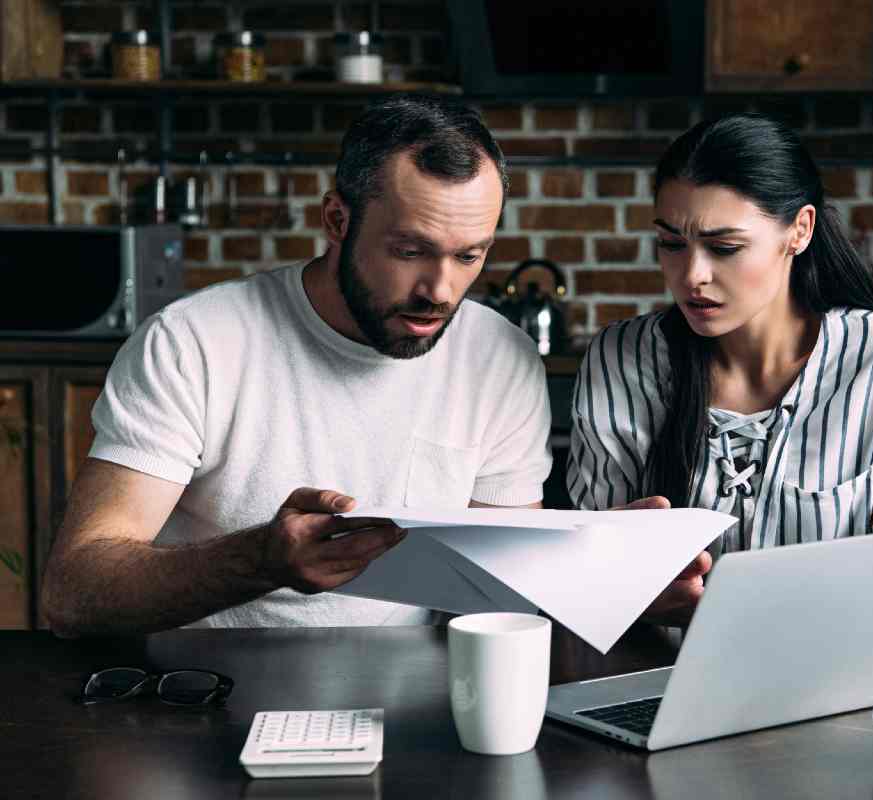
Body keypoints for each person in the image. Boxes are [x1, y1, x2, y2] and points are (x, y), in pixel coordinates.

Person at [41, 97, 553, 634]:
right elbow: (74, 594)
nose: (439, 291)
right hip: (204, 695)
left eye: (469, 256)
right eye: (409, 251)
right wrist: (260, 560)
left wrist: (606, 560)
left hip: (412, 691)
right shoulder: (192, 343)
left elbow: (501, 594)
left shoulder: (501, 358)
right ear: (337, 220)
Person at [569, 114, 873, 623]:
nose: (692, 275)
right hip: (659, 679)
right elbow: (590, 581)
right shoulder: (621, 360)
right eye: (671, 244)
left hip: (836, 673)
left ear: (799, 231)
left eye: (725, 247)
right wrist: (625, 588)